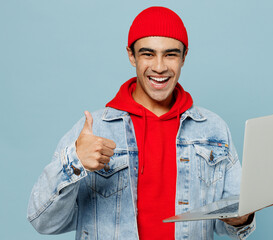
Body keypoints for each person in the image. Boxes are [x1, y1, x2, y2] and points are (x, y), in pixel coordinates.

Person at [27, 6, 257, 240]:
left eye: (171, 54)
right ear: (131, 55)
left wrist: (242, 218)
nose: (159, 67)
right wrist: (75, 160)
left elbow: (227, 222)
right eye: (148, 54)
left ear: (184, 57)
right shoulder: (94, 129)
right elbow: (43, 222)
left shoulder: (213, 129)